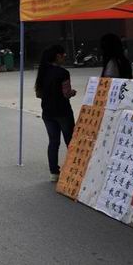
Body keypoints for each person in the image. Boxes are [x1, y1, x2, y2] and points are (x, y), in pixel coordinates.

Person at [34, 45, 77, 182]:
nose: (64, 58)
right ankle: (73, 170)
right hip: (63, 111)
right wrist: (73, 93)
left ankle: (54, 173)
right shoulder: (63, 73)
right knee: (70, 141)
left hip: (47, 112)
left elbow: (38, 94)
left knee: (53, 142)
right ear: (58, 56)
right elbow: (66, 93)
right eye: (64, 55)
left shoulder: (42, 72)